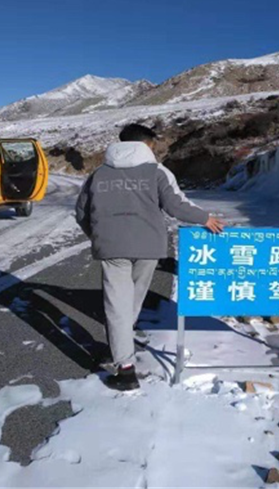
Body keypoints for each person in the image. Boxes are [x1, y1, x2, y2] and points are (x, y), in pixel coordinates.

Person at [75, 123, 225, 390]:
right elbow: (176, 205)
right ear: (146, 144)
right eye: (153, 145)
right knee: (133, 301)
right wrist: (205, 218)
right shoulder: (157, 171)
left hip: (112, 248)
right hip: (149, 247)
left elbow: (81, 212)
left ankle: (124, 363)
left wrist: (98, 237)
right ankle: (122, 352)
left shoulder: (98, 174)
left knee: (117, 305)